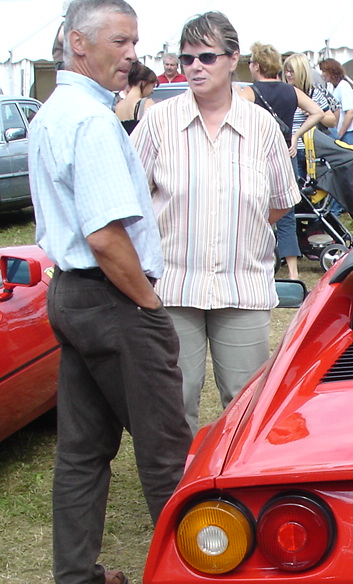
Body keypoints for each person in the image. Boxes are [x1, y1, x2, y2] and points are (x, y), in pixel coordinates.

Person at [28, 0, 190, 584]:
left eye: (134, 42)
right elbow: (105, 236)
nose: (132, 54)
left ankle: (76, 579)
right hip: (111, 295)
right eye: (121, 41)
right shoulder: (92, 123)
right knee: (165, 448)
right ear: (78, 43)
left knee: (83, 445)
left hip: (72, 295)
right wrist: (147, 304)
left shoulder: (54, 113)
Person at [132, 11, 299, 437]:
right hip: (172, 288)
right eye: (186, 59)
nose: (195, 67)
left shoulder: (262, 127)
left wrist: (238, 230)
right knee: (174, 403)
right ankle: (179, 491)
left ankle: (234, 494)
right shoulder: (157, 122)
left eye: (206, 57)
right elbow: (132, 199)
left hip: (242, 288)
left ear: (233, 59)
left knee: (246, 405)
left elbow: (279, 203)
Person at [241, 44, 321, 283]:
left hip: (258, 156)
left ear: (256, 65)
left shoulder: (249, 92)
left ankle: (255, 264)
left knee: (254, 211)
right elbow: (316, 112)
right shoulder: (291, 91)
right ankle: (294, 272)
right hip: (286, 154)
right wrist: (296, 135)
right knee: (286, 211)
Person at [319, 58, 353, 144]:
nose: (322, 74)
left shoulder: (344, 86)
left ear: (332, 71)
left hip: (348, 134)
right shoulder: (333, 87)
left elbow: (350, 113)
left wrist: (339, 134)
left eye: (324, 71)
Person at [114, 60, 155, 134]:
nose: (152, 91)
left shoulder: (118, 106)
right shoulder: (147, 103)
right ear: (143, 82)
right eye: (152, 86)